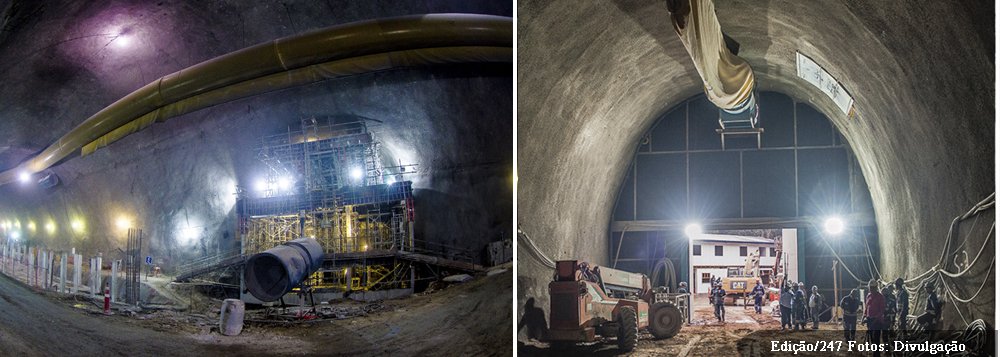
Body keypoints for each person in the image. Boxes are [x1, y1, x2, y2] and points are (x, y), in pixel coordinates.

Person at [864, 279, 886, 357]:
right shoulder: (868, 296)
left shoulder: (880, 297)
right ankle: (875, 354)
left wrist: (875, 319)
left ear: (876, 288)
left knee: (876, 339)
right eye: (870, 287)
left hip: (877, 322)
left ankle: (876, 355)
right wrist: (864, 316)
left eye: (873, 287)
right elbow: (867, 307)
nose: (871, 289)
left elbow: (882, 310)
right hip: (870, 320)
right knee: (872, 339)